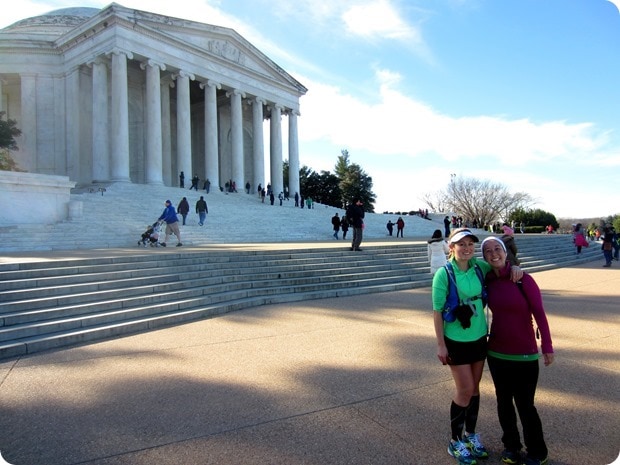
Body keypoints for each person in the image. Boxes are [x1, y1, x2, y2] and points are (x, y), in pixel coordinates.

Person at [432, 228, 523, 465]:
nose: (467, 248)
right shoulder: (444, 274)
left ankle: (471, 435)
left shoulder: (479, 267)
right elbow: (437, 311)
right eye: (461, 244)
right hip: (456, 340)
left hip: (479, 337)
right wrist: (441, 345)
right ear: (452, 247)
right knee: (464, 390)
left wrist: (516, 267)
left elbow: (500, 265)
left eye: (470, 244)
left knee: (474, 390)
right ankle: (455, 441)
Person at [481, 236, 554, 465]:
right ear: (484, 257)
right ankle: (511, 446)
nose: (494, 253)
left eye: (497, 249)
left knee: (525, 405)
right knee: (503, 403)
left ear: (506, 253)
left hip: (525, 353)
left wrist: (547, 346)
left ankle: (537, 451)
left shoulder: (524, 279)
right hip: (497, 353)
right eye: (488, 251)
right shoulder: (487, 281)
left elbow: (539, 313)